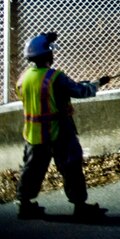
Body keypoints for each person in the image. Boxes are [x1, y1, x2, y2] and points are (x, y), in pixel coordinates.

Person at [15, 32, 110, 220]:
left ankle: (24, 205)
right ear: (47, 55)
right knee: (71, 168)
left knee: (32, 170)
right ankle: (80, 206)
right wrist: (98, 83)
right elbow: (80, 91)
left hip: (33, 134)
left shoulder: (23, 78)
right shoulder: (55, 77)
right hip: (59, 132)